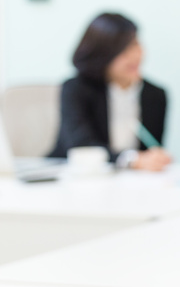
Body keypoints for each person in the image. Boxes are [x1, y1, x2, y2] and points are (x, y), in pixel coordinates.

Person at [50, 12, 172, 171]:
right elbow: (81, 147)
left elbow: (150, 150)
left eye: (135, 44)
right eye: (123, 50)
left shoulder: (155, 95)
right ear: (102, 55)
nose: (135, 56)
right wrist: (131, 160)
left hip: (129, 183)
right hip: (72, 175)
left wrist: (156, 159)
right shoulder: (77, 88)